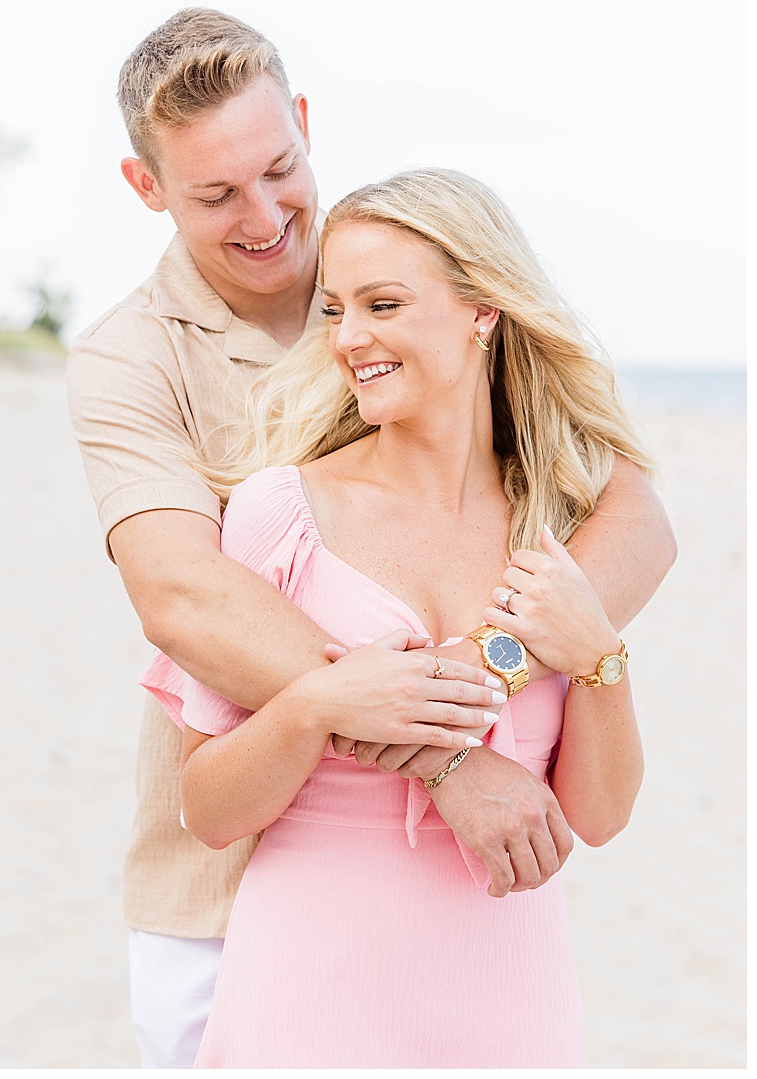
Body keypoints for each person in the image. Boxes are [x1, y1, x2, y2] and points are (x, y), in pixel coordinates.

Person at [65, 9, 676, 1067]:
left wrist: (518, 659)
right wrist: (449, 756)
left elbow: (638, 525)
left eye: (279, 169)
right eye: (214, 195)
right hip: (230, 888)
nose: (265, 217)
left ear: (302, 126)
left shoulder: (396, 261)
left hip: (486, 939)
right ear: (148, 188)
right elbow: (184, 599)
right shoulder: (128, 361)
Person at [150, 167, 651, 1066]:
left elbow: (600, 815)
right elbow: (207, 809)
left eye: (383, 304)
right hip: (309, 990)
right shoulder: (282, 512)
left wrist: (598, 656)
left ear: (482, 310)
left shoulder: (561, 524)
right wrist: (317, 704)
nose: (350, 338)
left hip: (512, 995)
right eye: (336, 309)